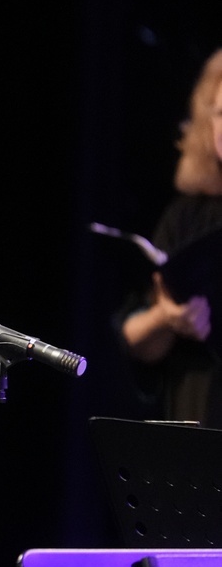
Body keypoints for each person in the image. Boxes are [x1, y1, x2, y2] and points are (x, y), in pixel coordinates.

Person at [120, 48, 222, 424]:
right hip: (197, 423)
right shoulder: (187, 215)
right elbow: (135, 341)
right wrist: (168, 316)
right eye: (220, 113)